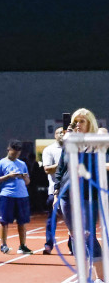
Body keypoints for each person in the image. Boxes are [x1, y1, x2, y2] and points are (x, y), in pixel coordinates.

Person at [54, 109, 105, 282]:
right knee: (75, 234)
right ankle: (83, 275)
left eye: (82, 121)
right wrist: (55, 191)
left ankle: (101, 277)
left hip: (88, 194)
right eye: (76, 121)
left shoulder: (96, 142)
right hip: (67, 194)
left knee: (88, 234)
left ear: (90, 123)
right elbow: (61, 168)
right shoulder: (69, 144)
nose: (78, 125)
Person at [0, 141, 32, 255]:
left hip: (22, 195)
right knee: (4, 221)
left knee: (22, 222)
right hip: (7, 195)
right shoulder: (1, 163)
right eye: (14, 152)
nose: (16, 155)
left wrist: (23, 177)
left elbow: (28, 181)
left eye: (18, 153)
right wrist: (9, 176)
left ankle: (22, 245)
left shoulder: (22, 164)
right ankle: (4, 245)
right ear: (8, 149)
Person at [41, 127, 65, 254]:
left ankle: (73, 246)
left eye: (63, 132)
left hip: (71, 190)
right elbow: (47, 169)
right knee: (52, 219)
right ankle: (48, 244)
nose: (62, 134)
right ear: (55, 135)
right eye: (59, 132)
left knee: (73, 220)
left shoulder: (73, 149)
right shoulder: (49, 150)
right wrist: (63, 163)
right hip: (54, 190)